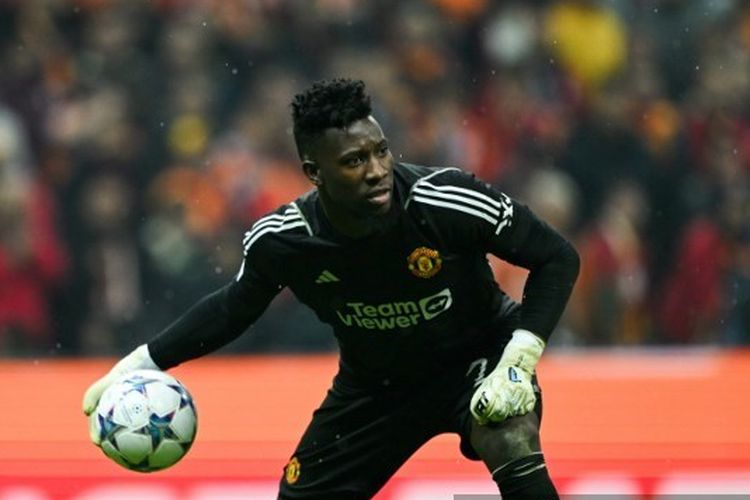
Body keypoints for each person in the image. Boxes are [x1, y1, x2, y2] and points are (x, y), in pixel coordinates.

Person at [82, 78, 579, 499]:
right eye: (354, 161)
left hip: (480, 359)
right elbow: (234, 309)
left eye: (381, 151)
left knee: (509, 434)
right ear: (314, 173)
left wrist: (518, 362)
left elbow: (557, 257)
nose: (377, 170)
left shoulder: (446, 201)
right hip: (375, 388)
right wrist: (144, 362)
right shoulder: (285, 241)